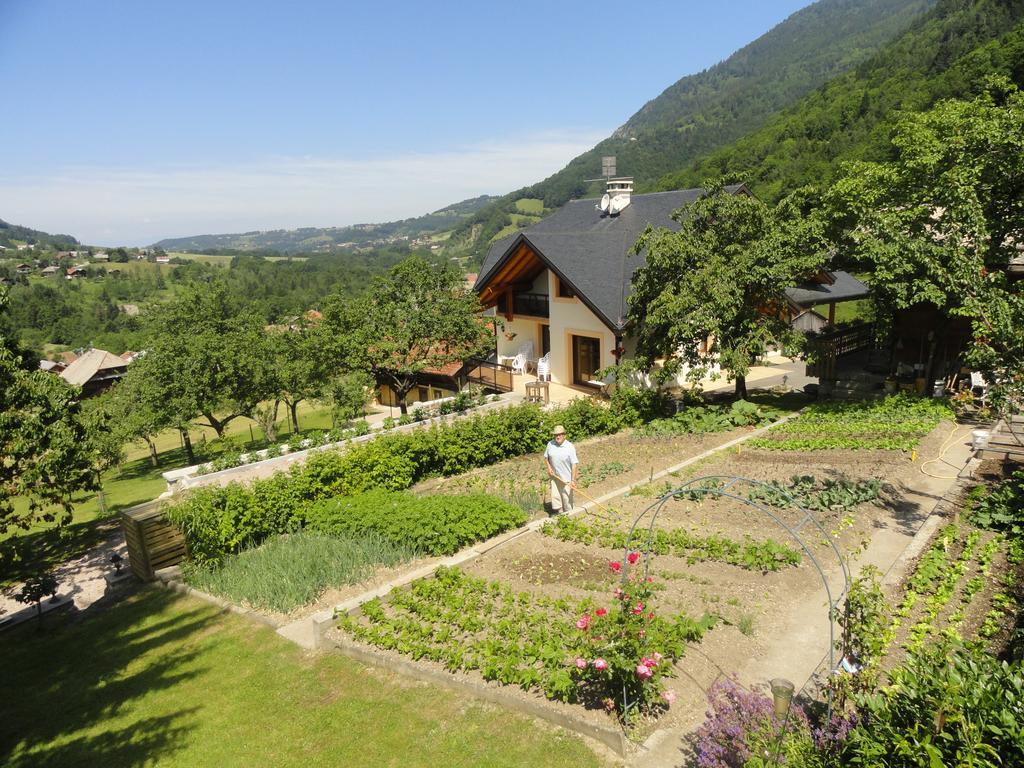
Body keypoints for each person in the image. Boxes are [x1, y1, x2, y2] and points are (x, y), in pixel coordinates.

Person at [544, 424, 578, 514]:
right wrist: (549, 468)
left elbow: (574, 464)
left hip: (566, 478)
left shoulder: (569, 446)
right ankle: (560, 514)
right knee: (556, 498)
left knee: (567, 499)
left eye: (559, 434)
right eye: (556, 435)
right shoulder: (550, 444)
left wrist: (573, 480)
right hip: (555, 477)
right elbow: (546, 458)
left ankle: (570, 515)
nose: (557, 436)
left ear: (564, 435)